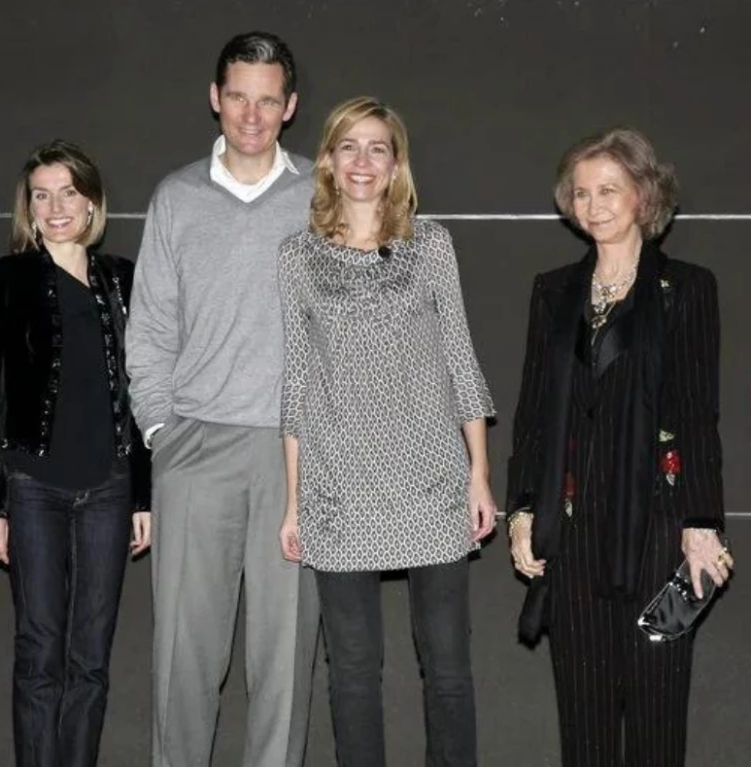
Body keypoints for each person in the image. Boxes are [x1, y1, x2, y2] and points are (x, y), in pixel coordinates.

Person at [278, 96, 496, 767]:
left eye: (378, 147)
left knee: (449, 668)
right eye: (349, 146)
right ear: (328, 161)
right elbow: (296, 382)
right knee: (351, 672)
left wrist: (479, 476)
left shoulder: (431, 244)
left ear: (396, 163)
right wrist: (293, 502)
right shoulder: (296, 257)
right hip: (338, 491)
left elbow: (460, 359)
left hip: (433, 482)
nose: (363, 160)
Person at [505, 126, 733, 767]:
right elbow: (533, 413)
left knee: (658, 718)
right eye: (581, 193)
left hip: (659, 531)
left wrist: (701, 523)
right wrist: (521, 510)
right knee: (585, 725)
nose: (593, 205)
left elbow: (696, 411)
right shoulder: (553, 291)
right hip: (572, 533)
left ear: (644, 196)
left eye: (609, 190)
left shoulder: (688, 288)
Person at [126, 30, 319, 767]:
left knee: (286, 662)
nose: (251, 114)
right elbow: (150, 329)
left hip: (295, 454)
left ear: (289, 106)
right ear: (215, 98)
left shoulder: (323, 195)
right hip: (195, 448)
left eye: (267, 100)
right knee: (183, 656)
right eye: (238, 96)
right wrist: (161, 433)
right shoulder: (176, 198)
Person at [0, 140, 151, 767]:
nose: (55, 208)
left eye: (68, 193)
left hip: (109, 487)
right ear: (28, 206)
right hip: (33, 487)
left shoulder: (124, 279)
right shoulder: (6, 279)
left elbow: (141, 391)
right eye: (41, 196)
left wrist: (142, 495)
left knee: (91, 658)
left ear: (92, 202)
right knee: (39, 651)